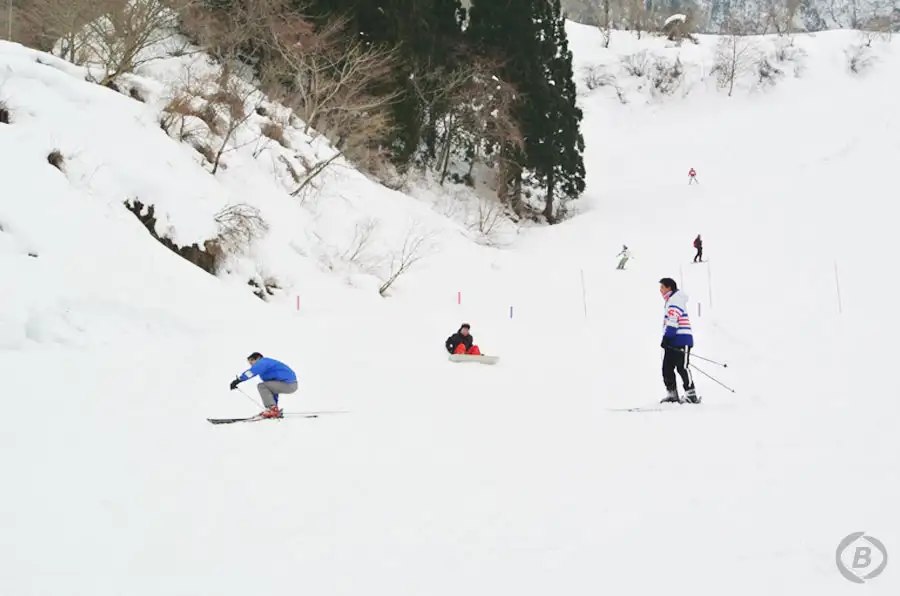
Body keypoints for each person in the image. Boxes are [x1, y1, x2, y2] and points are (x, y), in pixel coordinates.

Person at [658, 278, 699, 404]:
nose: (660, 291)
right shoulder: (671, 300)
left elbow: (673, 320)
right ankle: (672, 394)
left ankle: (691, 395)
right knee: (667, 367)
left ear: (669, 287)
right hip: (673, 339)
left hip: (681, 339)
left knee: (682, 367)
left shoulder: (675, 300)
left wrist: (666, 337)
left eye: (662, 288)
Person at [229, 352, 298, 418]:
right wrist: (274, 407)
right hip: (289, 384)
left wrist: (238, 380)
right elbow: (271, 391)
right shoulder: (265, 370)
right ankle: (273, 410)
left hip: (289, 384)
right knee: (265, 386)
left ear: (258, 358)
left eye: (252, 360)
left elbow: (252, 372)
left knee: (262, 386)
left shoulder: (263, 362)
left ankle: (272, 409)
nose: (250, 363)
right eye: (249, 362)